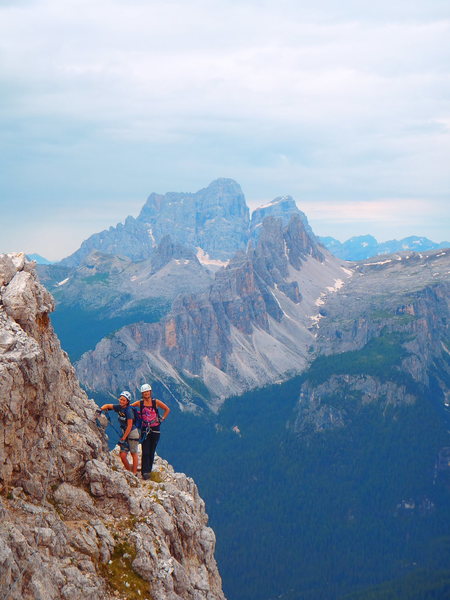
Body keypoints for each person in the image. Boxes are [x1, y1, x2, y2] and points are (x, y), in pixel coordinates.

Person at [131, 383, 170, 480]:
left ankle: (148, 470)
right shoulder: (139, 403)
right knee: (146, 451)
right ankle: (145, 472)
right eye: (144, 392)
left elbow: (167, 409)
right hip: (145, 429)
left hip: (155, 428)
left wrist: (162, 419)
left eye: (147, 392)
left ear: (150, 392)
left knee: (152, 451)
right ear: (142, 394)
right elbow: (130, 407)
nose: (146, 394)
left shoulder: (155, 402)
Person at [100, 391, 140, 475]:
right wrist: (99, 410)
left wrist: (123, 438)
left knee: (133, 453)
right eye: (120, 399)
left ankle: (134, 473)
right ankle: (129, 472)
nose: (121, 401)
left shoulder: (129, 410)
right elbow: (107, 406)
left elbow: (129, 425)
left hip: (132, 433)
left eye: (124, 400)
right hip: (125, 433)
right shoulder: (119, 407)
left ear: (127, 402)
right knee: (122, 455)